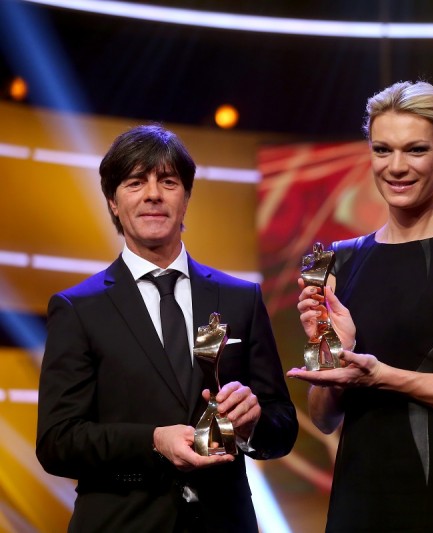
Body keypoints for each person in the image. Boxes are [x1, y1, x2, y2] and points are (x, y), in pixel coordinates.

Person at [287, 81, 433, 532]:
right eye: (383, 150)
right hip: (358, 497)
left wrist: (384, 376)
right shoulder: (339, 260)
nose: (396, 167)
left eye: (415, 150)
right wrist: (336, 351)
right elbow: (322, 417)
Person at [36, 124, 298, 532]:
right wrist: (153, 441)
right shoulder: (78, 308)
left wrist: (252, 424)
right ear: (113, 202)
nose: (153, 194)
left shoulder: (240, 298)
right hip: (122, 522)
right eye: (135, 182)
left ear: (187, 197)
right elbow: (57, 442)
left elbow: (281, 427)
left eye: (168, 181)